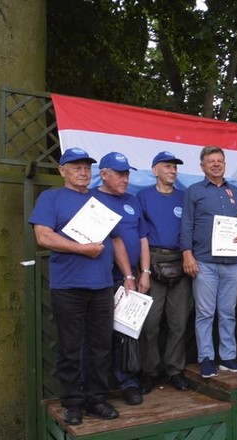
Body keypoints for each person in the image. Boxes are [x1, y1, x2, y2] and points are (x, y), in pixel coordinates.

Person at [29, 147, 134, 425]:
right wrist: (82, 249)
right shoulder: (51, 198)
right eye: (77, 167)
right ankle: (73, 403)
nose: (83, 172)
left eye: (87, 168)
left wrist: (128, 276)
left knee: (100, 347)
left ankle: (97, 400)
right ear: (62, 171)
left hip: (102, 286)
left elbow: (116, 240)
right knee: (70, 348)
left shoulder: (101, 201)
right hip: (68, 286)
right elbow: (43, 236)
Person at [181, 145, 237, 378]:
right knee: (205, 313)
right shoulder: (194, 191)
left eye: (220, 160)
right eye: (211, 161)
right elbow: (186, 223)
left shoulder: (236, 192)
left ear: (225, 164)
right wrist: (187, 253)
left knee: (228, 312)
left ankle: (228, 357)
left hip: (232, 262)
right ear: (202, 166)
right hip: (204, 261)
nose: (216, 164)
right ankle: (206, 358)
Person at [92, 151, 149, 405]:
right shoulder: (91, 198)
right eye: (119, 174)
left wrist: (144, 272)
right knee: (101, 334)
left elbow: (142, 238)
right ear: (104, 174)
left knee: (128, 333)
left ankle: (128, 382)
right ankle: (98, 389)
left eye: (127, 174)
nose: (125, 179)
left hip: (131, 278)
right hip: (102, 278)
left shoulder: (132, 200)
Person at [137, 151, 193, 393]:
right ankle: (149, 372)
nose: (172, 171)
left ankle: (174, 370)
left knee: (179, 322)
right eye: (167, 166)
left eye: (175, 167)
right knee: (150, 324)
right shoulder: (143, 196)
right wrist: (143, 269)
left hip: (181, 261)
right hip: (153, 261)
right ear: (155, 170)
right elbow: (139, 234)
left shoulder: (184, 197)